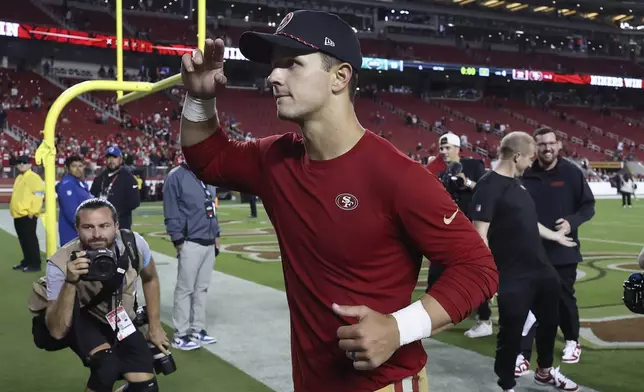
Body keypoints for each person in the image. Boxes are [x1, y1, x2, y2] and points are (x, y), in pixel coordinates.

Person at [179, 11, 498, 392]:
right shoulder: (275, 159)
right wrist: (199, 98)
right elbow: (207, 158)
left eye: (292, 64)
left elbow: (478, 269)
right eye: (273, 66)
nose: (273, 77)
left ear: (340, 77)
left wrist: (399, 328)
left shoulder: (397, 175)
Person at [470, 131, 579, 392]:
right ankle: (507, 384)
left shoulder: (518, 184)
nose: (532, 163)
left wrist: (555, 236)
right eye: (529, 157)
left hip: (541, 269)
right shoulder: (488, 186)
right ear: (517, 156)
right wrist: (487, 277)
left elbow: (529, 222)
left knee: (550, 323)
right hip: (512, 274)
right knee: (511, 332)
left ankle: (544, 371)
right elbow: (479, 236)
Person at [43, 198, 168, 392]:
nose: (96, 234)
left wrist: (155, 326)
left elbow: (150, 279)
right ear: (77, 229)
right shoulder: (60, 262)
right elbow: (57, 330)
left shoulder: (134, 244)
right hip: (81, 317)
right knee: (106, 367)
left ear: (116, 227)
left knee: (145, 386)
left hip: (118, 316)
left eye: (104, 225)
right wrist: (70, 281)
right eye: (88, 227)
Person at [518, 127, 595, 369]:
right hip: (531, 251)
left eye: (551, 143)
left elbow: (588, 206)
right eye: (541, 144)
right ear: (535, 147)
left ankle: (572, 340)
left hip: (564, 250)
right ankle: (522, 353)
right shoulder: (525, 174)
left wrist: (572, 222)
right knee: (528, 302)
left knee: (564, 299)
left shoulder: (572, 173)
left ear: (559, 145)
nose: (547, 148)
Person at [426, 132, 490, 339]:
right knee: (436, 275)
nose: (444, 152)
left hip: (468, 230)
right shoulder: (438, 170)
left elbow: (488, 191)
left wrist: (468, 182)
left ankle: (485, 319)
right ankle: (432, 317)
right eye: (441, 148)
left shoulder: (473, 165)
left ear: (457, 148)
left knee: (473, 274)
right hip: (444, 231)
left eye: (447, 148)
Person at [163, 162, 220, 351]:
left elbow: (212, 208)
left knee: (201, 288)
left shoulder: (207, 174)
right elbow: (170, 210)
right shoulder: (175, 176)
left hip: (208, 240)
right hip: (190, 240)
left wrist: (216, 234)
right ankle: (180, 334)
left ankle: (197, 329)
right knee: (185, 289)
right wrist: (178, 240)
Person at [90, 146, 141, 230]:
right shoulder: (99, 178)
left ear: (120, 159)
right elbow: (91, 198)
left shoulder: (128, 178)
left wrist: (115, 212)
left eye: (114, 157)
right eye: (108, 157)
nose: (111, 160)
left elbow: (135, 202)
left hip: (121, 225)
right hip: (100, 225)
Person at [10, 155, 45, 272]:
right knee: (23, 240)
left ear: (30, 164)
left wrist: (33, 211)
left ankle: (35, 264)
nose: (21, 164)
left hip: (27, 214)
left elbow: (39, 195)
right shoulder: (20, 177)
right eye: (19, 162)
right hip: (19, 214)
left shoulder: (34, 177)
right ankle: (27, 261)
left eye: (24, 162)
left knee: (30, 239)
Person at [56, 155, 92, 245]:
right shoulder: (67, 185)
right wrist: (88, 226)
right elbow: (72, 213)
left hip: (82, 232)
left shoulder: (81, 183)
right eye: (74, 166)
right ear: (68, 168)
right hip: (72, 234)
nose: (78, 169)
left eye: (80, 166)